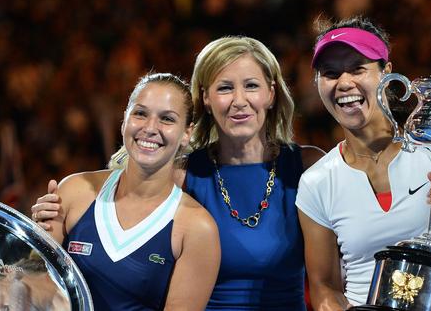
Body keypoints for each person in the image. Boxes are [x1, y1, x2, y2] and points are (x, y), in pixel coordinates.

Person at [33, 36, 325, 309]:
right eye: (225, 88)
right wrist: (51, 217)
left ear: (271, 93)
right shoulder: (179, 174)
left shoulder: (308, 167)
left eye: (251, 86)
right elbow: (111, 234)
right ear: (206, 99)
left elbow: (334, 276)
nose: (239, 100)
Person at [295, 16, 431, 310]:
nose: (344, 83)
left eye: (358, 69)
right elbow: (325, 290)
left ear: (387, 73)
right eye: (330, 73)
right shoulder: (315, 182)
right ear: (318, 83)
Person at [17, 72, 221, 310]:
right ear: (125, 120)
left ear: (187, 133)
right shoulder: (74, 191)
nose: (150, 128)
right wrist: (28, 238)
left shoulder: (197, 229)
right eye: (140, 113)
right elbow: (31, 288)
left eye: (166, 119)